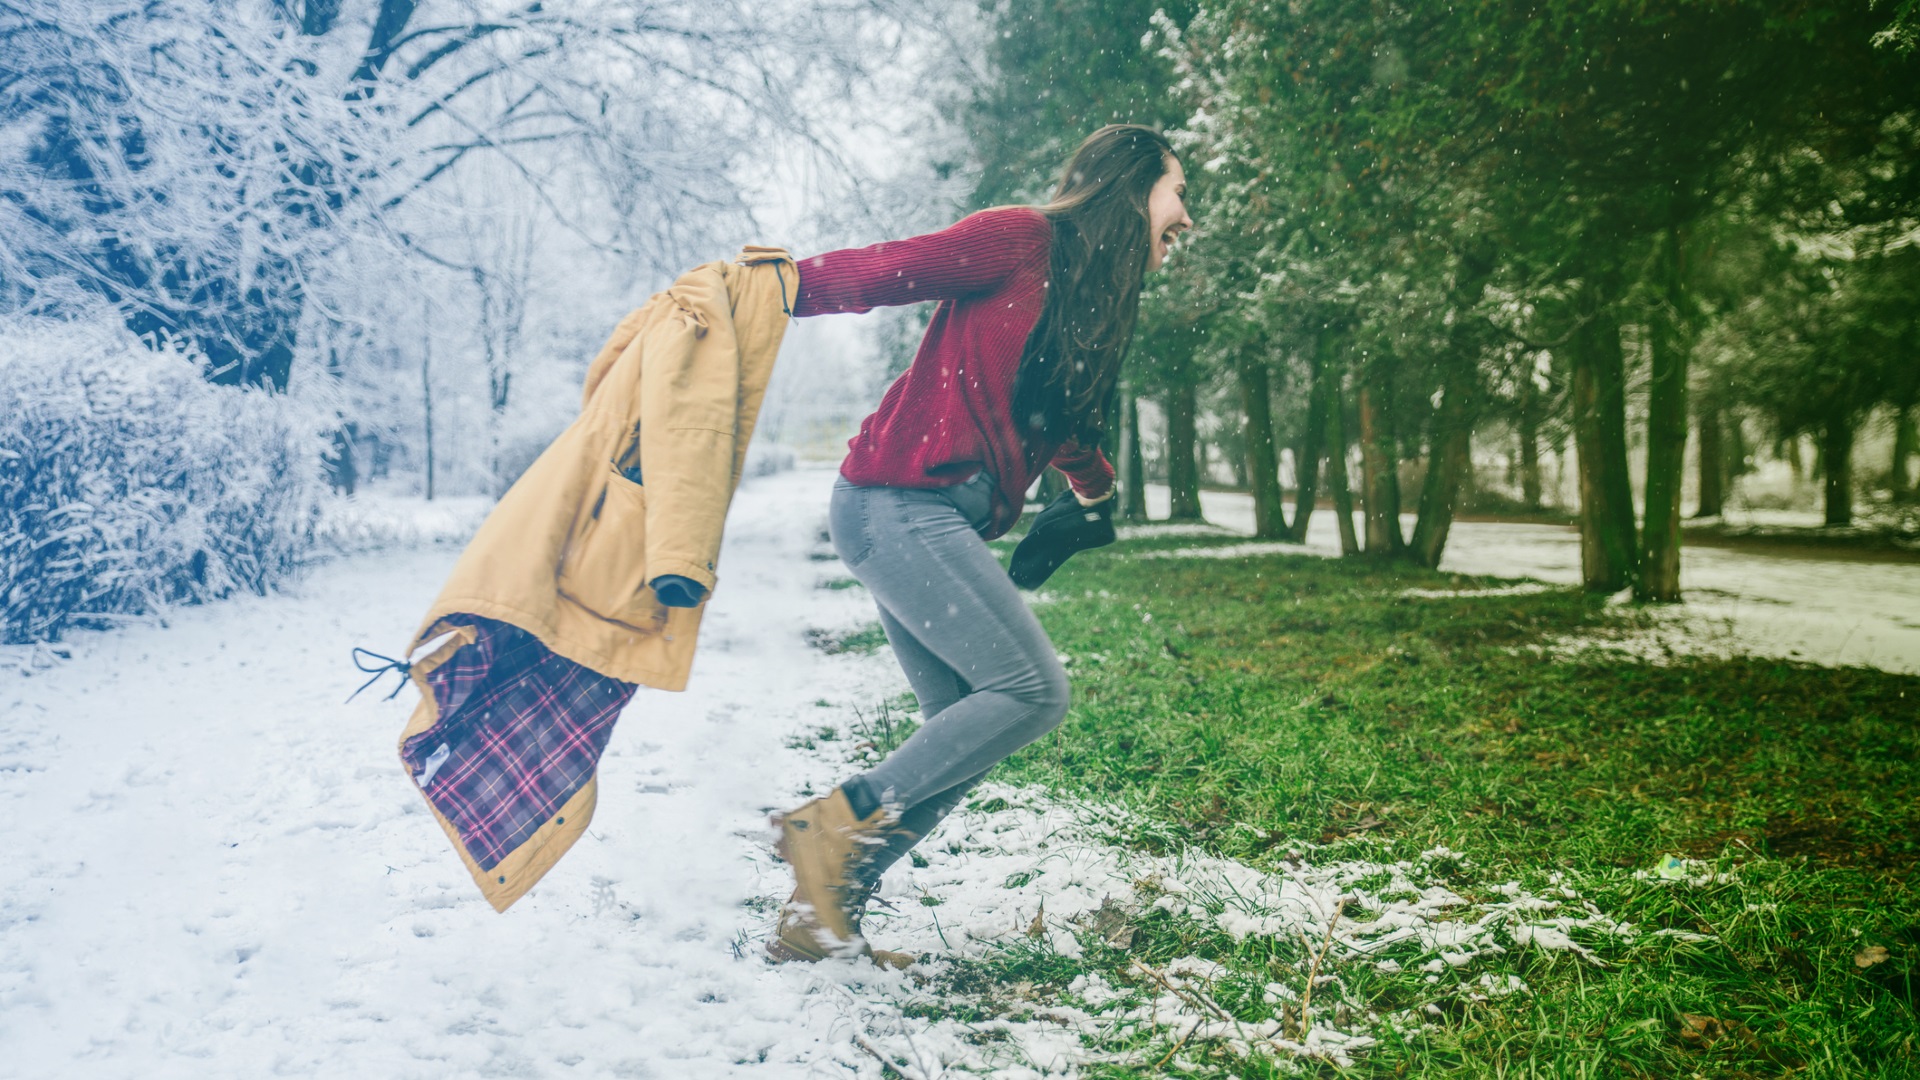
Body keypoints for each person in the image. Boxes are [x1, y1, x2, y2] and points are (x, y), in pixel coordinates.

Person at [769, 125, 1193, 966]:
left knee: (963, 724)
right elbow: (893, 268)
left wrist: (1094, 488)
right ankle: (830, 824)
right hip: (896, 502)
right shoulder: (1022, 238)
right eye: (1179, 195)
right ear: (1133, 185)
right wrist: (783, 285)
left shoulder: (1092, 295)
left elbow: (1057, 414)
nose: (1186, 221)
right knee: (1030, 692)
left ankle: (822, 915)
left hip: (925, 517)